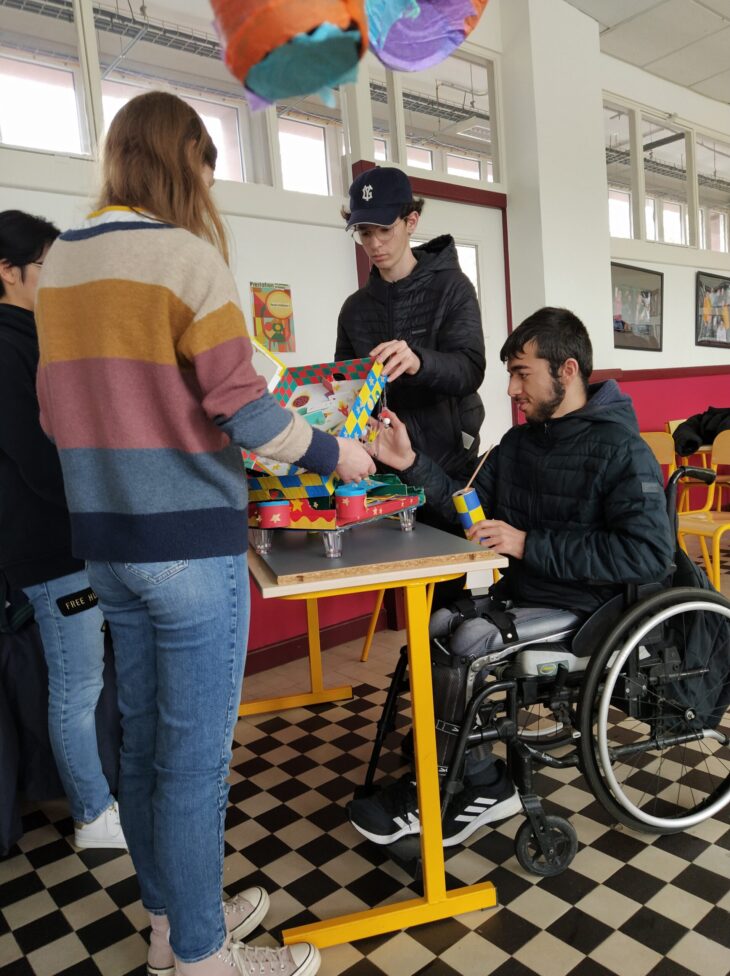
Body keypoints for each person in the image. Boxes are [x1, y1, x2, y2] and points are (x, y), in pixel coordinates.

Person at [34, 92, 373, 976]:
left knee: (144, 748)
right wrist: (339, 453)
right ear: (184, 160)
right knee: (192, 766)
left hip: (106, 549)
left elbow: (53, 414)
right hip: (189, 548)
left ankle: (170, 920)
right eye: (207, 170)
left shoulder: (59, 265)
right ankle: (203, 955)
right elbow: (244, 411)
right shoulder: (187, 256)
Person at [347, 306, 674, 848]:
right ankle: (472, 774)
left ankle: (458, 789)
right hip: (525, 594)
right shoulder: (521, 444)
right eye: (510, 374)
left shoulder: (622, 450)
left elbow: (649, 556)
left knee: (470, 643)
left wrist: (527, 543)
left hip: (592, 609)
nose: (511, 390)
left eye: (522, 374)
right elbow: (466, 511)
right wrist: (407, 461)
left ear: (567, 370)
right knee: (436, 625)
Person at [0, 209, 126, 851]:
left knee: (87, 683)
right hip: (49, 550)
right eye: (45, 266)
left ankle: (100, 800)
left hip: (67, 542)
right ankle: (92, 814)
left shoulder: (33, 337)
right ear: (8, 271)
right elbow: (38, 458)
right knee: (77, 689)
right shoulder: (8, 348)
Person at [335, 165, 486, 516]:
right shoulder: (354, 309)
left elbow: (471, 369)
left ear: (411, 221)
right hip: (379, 473)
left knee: (453, 550)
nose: (374, 243)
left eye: (385, 229)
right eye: (364, 233)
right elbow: (344, 388)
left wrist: (420, 362)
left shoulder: (453, 288)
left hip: (450, 464)